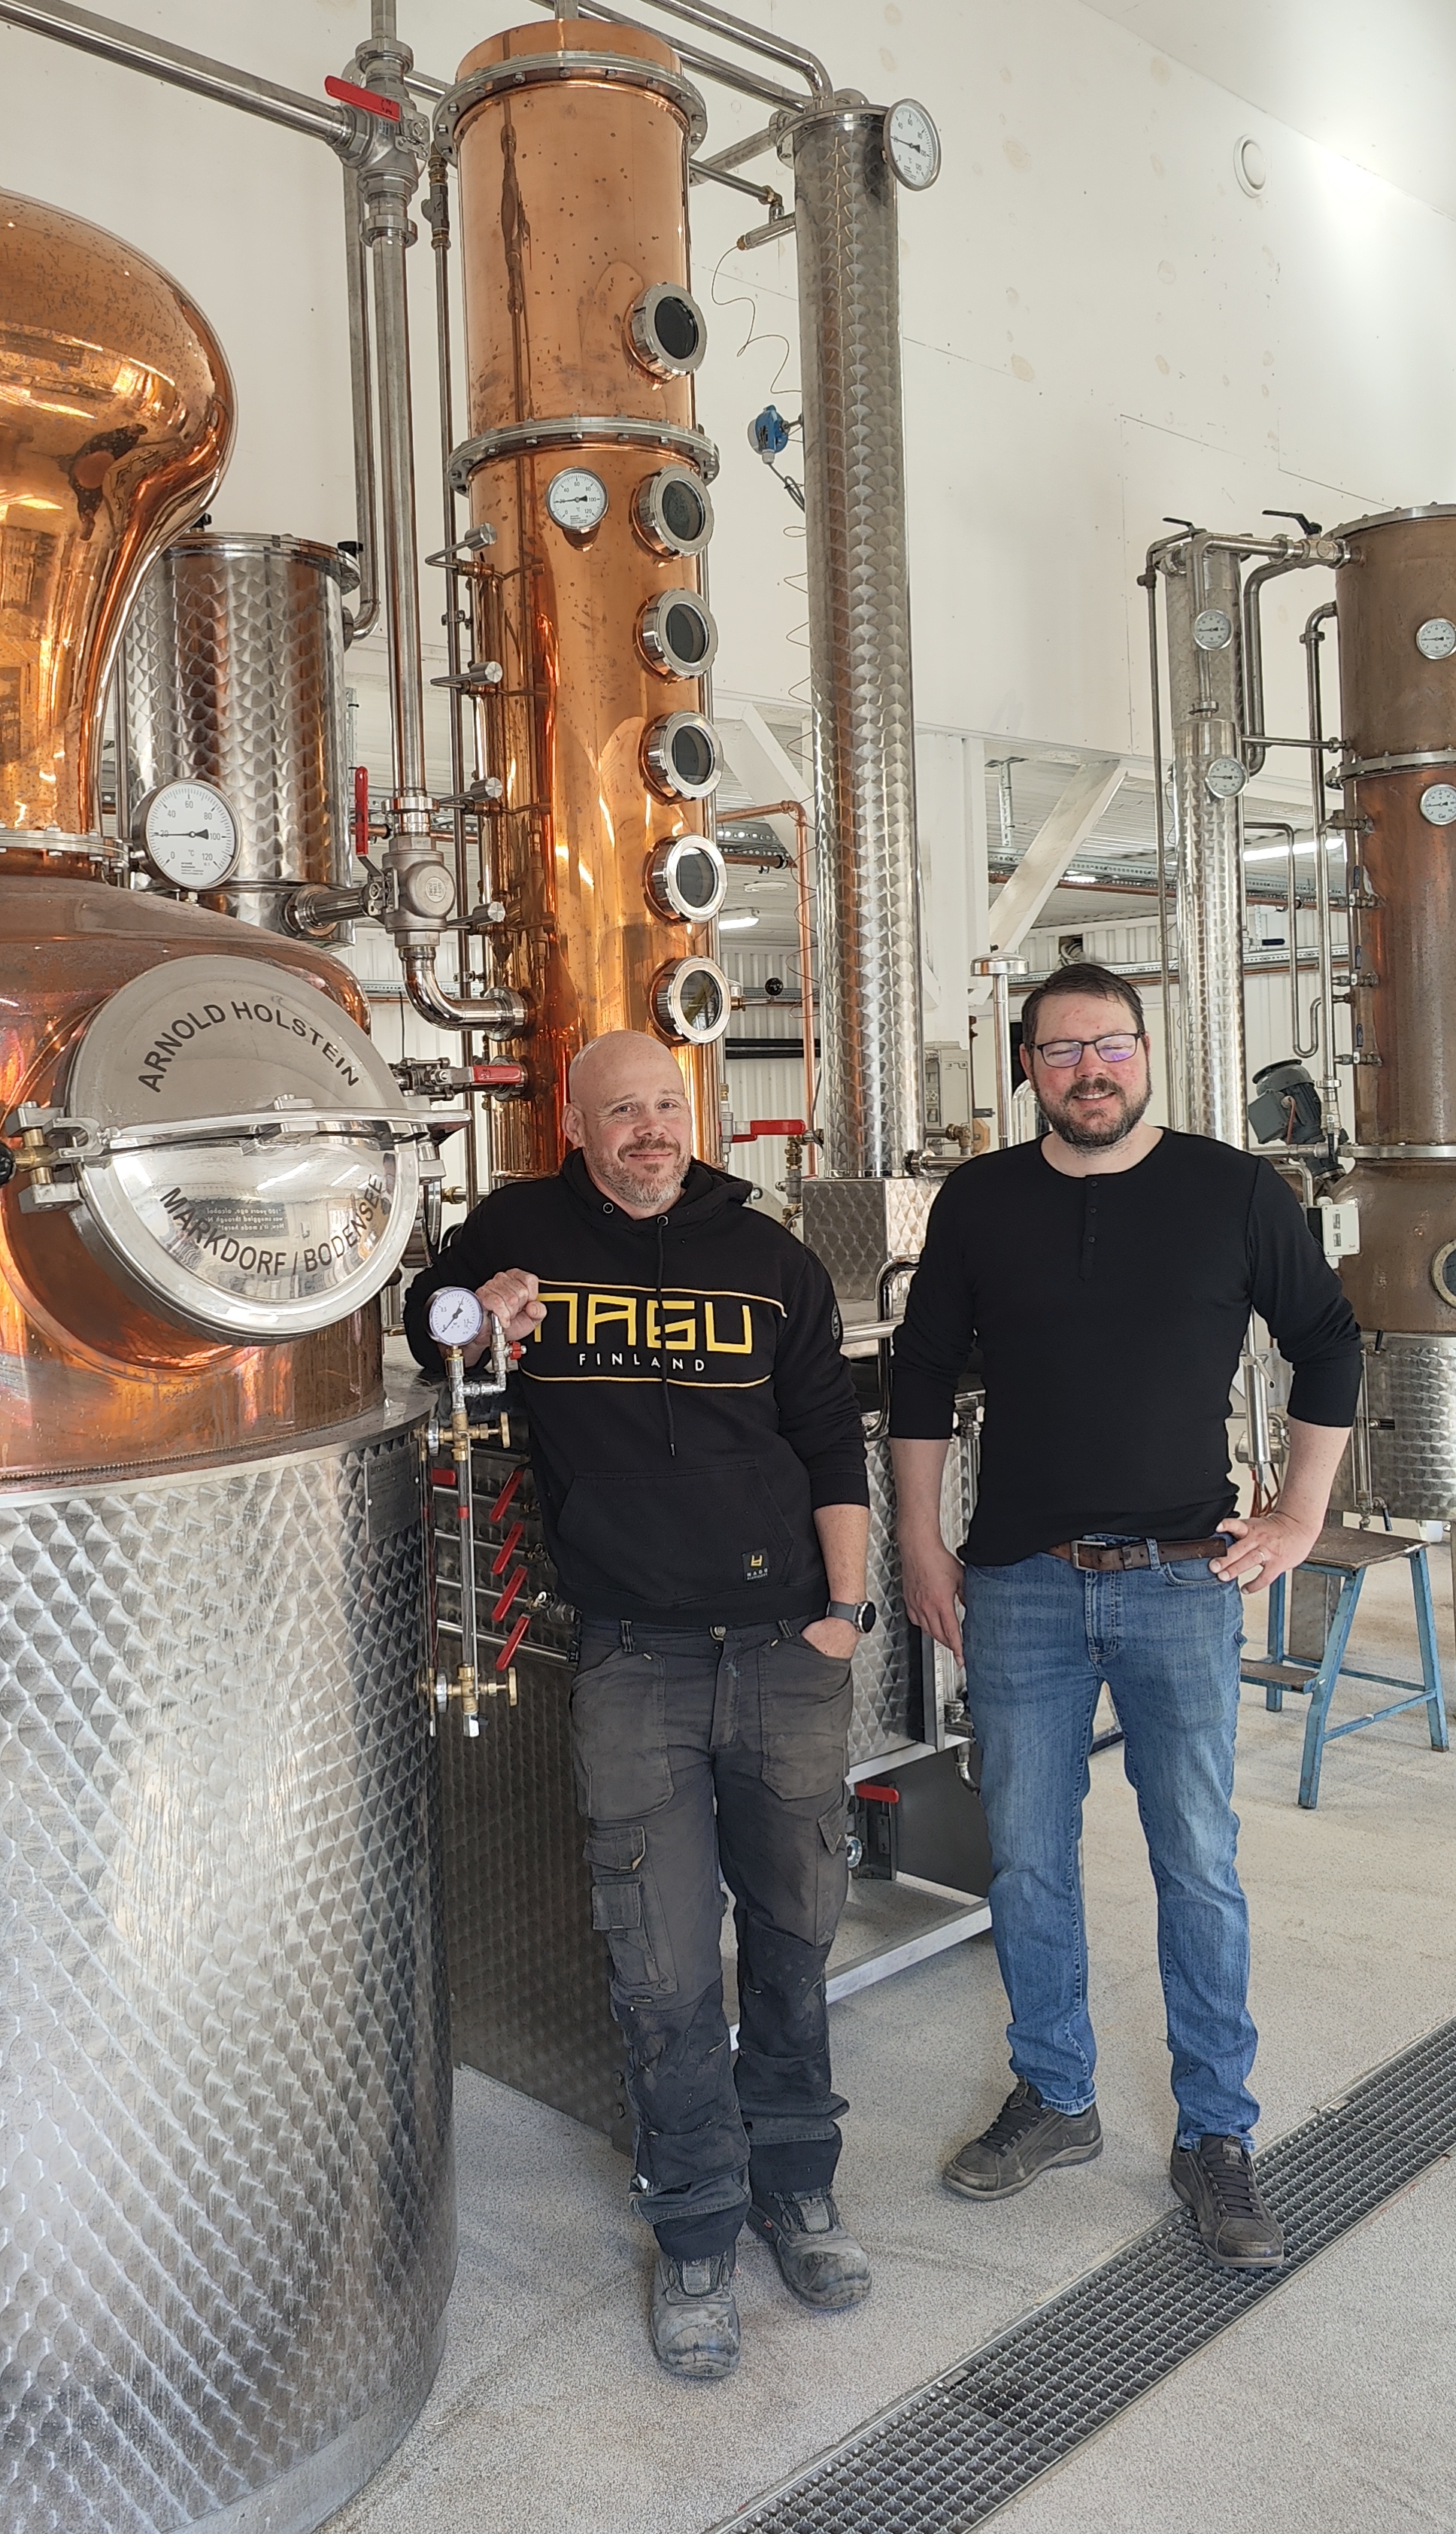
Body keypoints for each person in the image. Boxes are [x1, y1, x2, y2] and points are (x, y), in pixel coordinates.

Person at [405, 1029, 875, 2381]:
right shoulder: (520, 1230)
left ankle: (799, 2185)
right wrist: (478, 1313)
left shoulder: (771, 1259)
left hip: (786, 1646)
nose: (651, 1129)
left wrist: (845, 1616)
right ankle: (698, 2231)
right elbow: (424, 1326)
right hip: (633, 1663)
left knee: (794, 1935)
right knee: (660, 1966)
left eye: (668, 1104)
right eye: (623, 1110)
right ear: (576, 1122)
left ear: (694, 1113)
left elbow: (828, 1442)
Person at [890, 962, 1361, 2268]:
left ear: (1145, 1054)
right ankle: (1058, 2094)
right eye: (1061, 1051)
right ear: (1027, 1069)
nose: (1088, 1070)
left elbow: (1328, 1340)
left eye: (1109, 1045)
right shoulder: (980, 1202)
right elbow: (921, 1377)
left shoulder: (1233, 1191)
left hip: (1181, 1581)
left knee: (1196, 1863)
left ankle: (1217, 2134)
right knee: (1028, 1858)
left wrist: (1300, 1515)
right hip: (1021, 1584)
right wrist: (921, 1544)